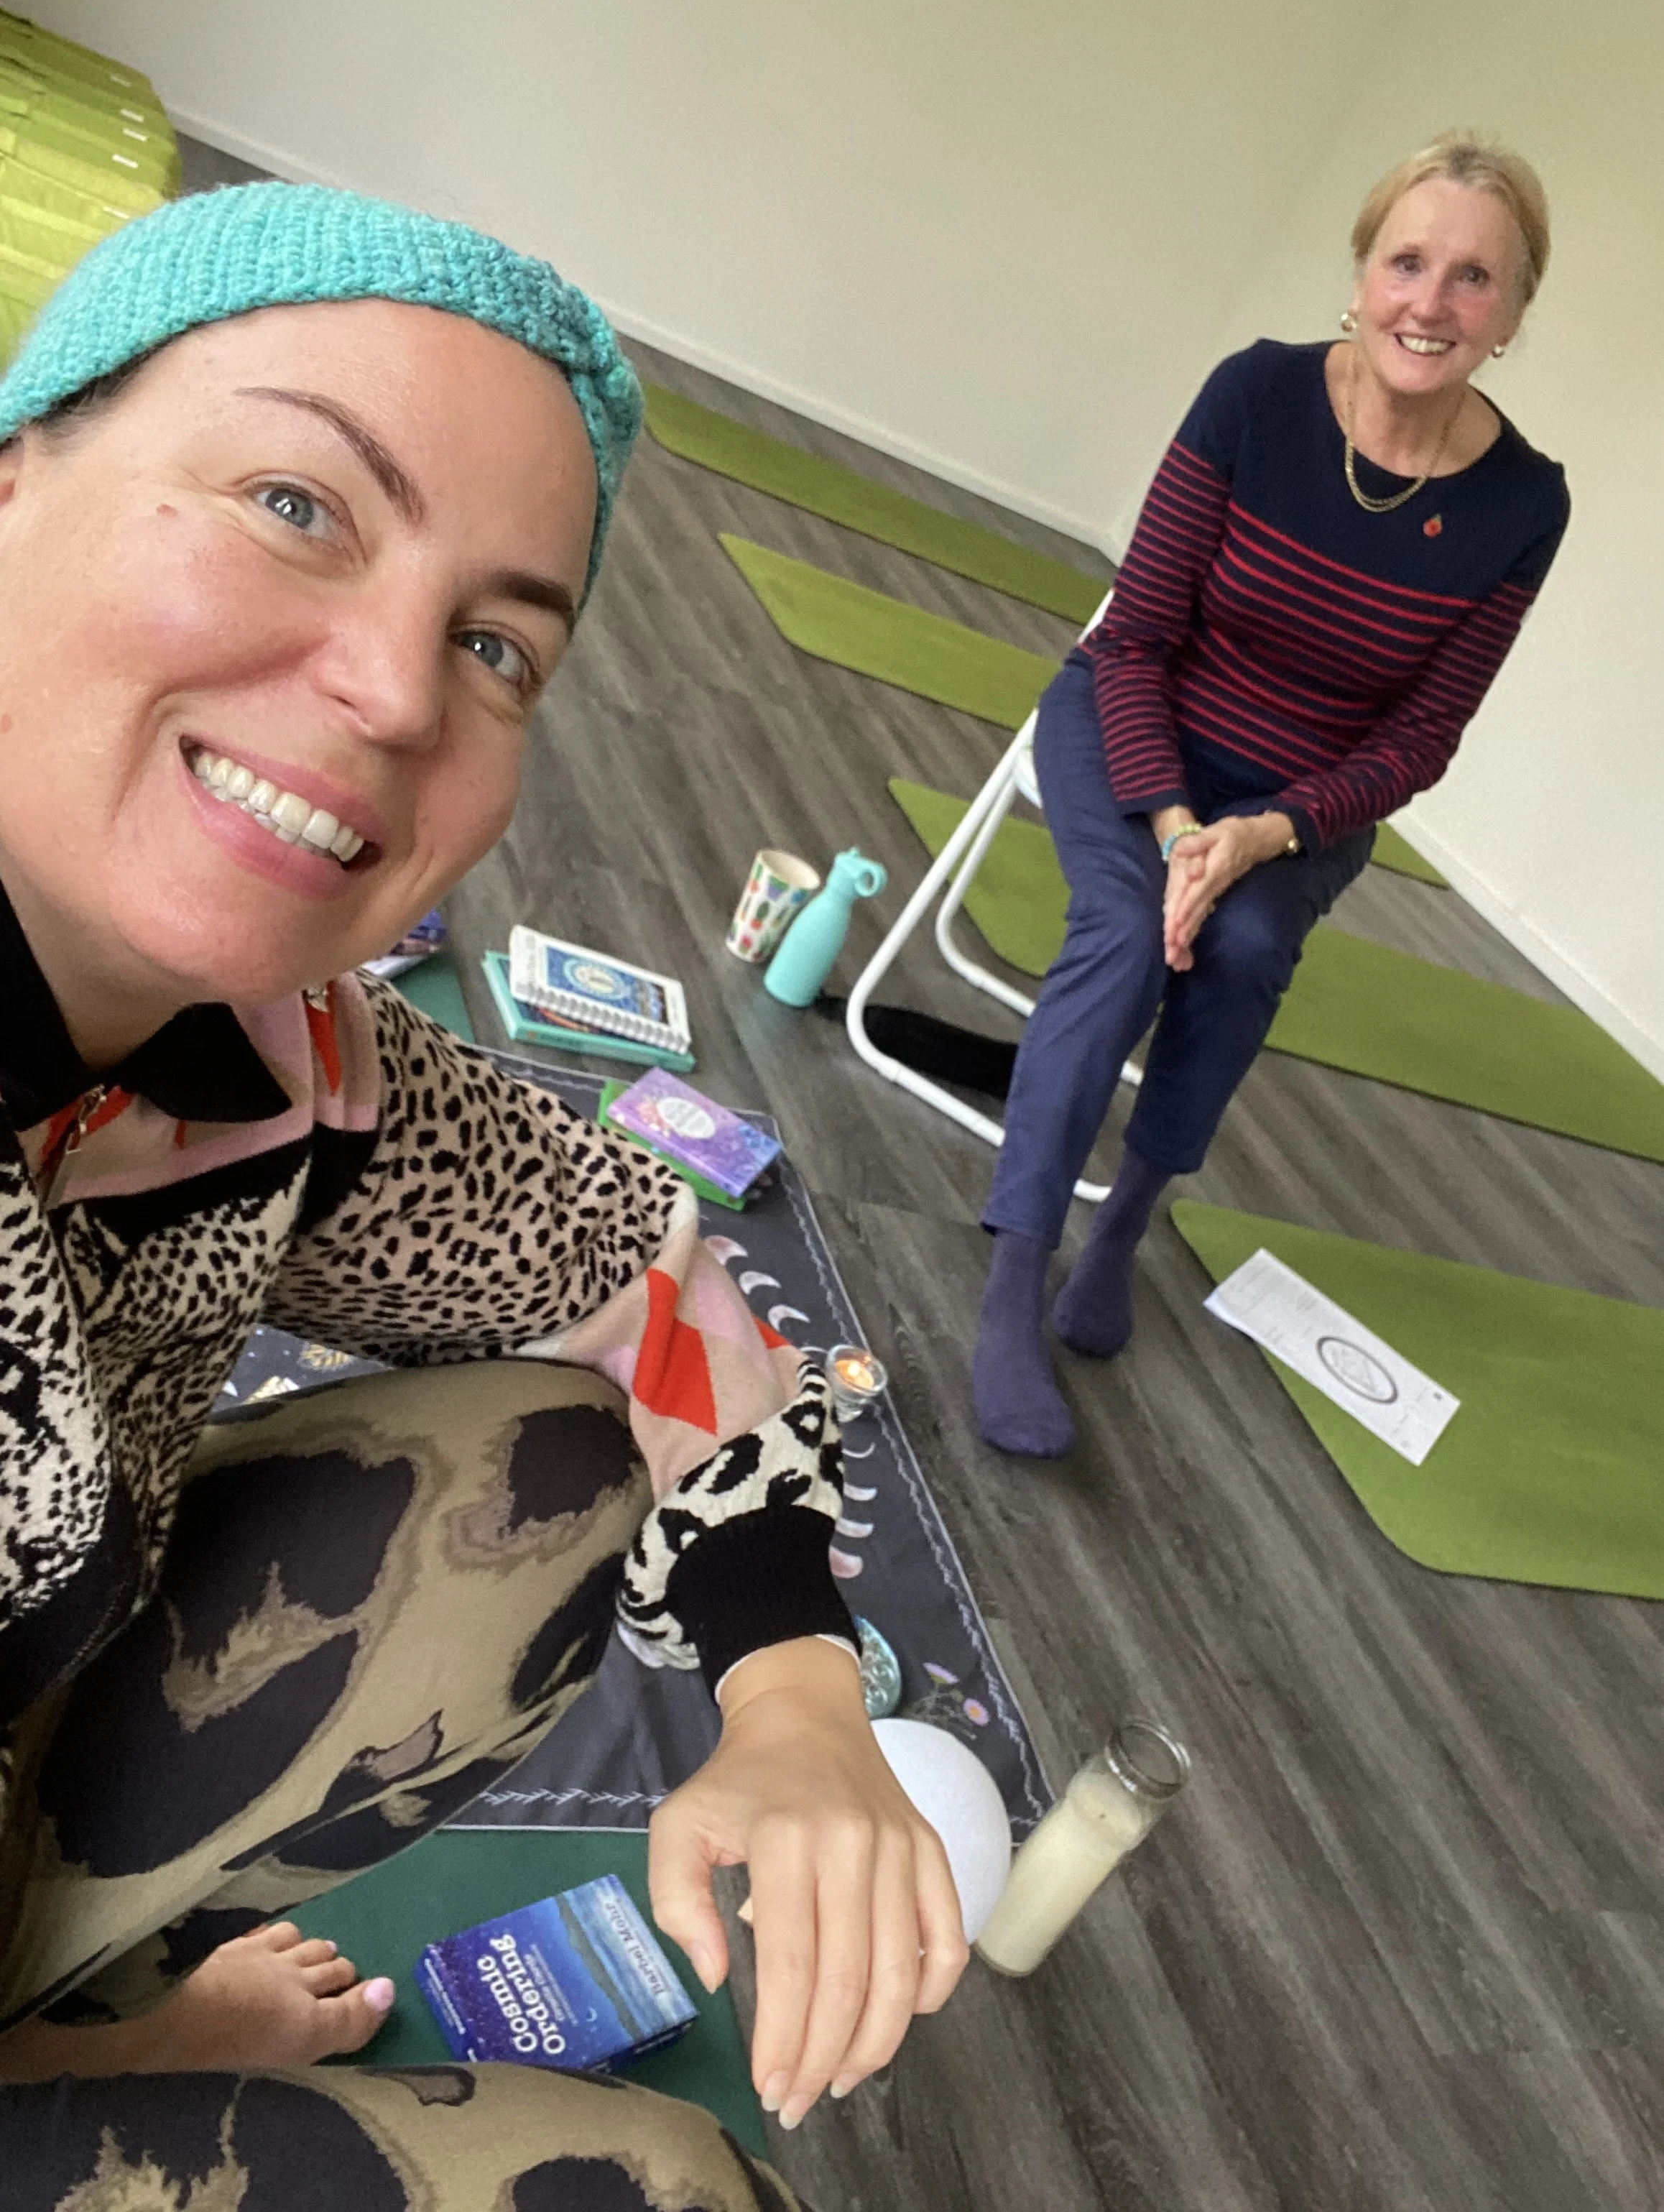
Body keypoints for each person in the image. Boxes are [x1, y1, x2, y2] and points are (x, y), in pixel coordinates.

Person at [0, 183, 966, 2208]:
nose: (394, 689)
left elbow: (658, 1284)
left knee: (540, 1444)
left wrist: (789, 1687)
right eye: (296, 501)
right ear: (18, 475)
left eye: (495, 638)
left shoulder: (281, 1070)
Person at [973, 132, 1570, 1458]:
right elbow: (1130, 638)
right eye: (1408, 260)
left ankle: (1122, 1223)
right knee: (1130, 931)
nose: (1432, 300)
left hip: (1306, 797)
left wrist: (1265, 834)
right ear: (1361, 273)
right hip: (1144, 722)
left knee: (1242, 947)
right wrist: (1184, 826)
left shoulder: (1525, 502)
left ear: (1513, 313)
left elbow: (1423, 738)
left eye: (1473, 277)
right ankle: (1015, 1279)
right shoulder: (1257, 396)